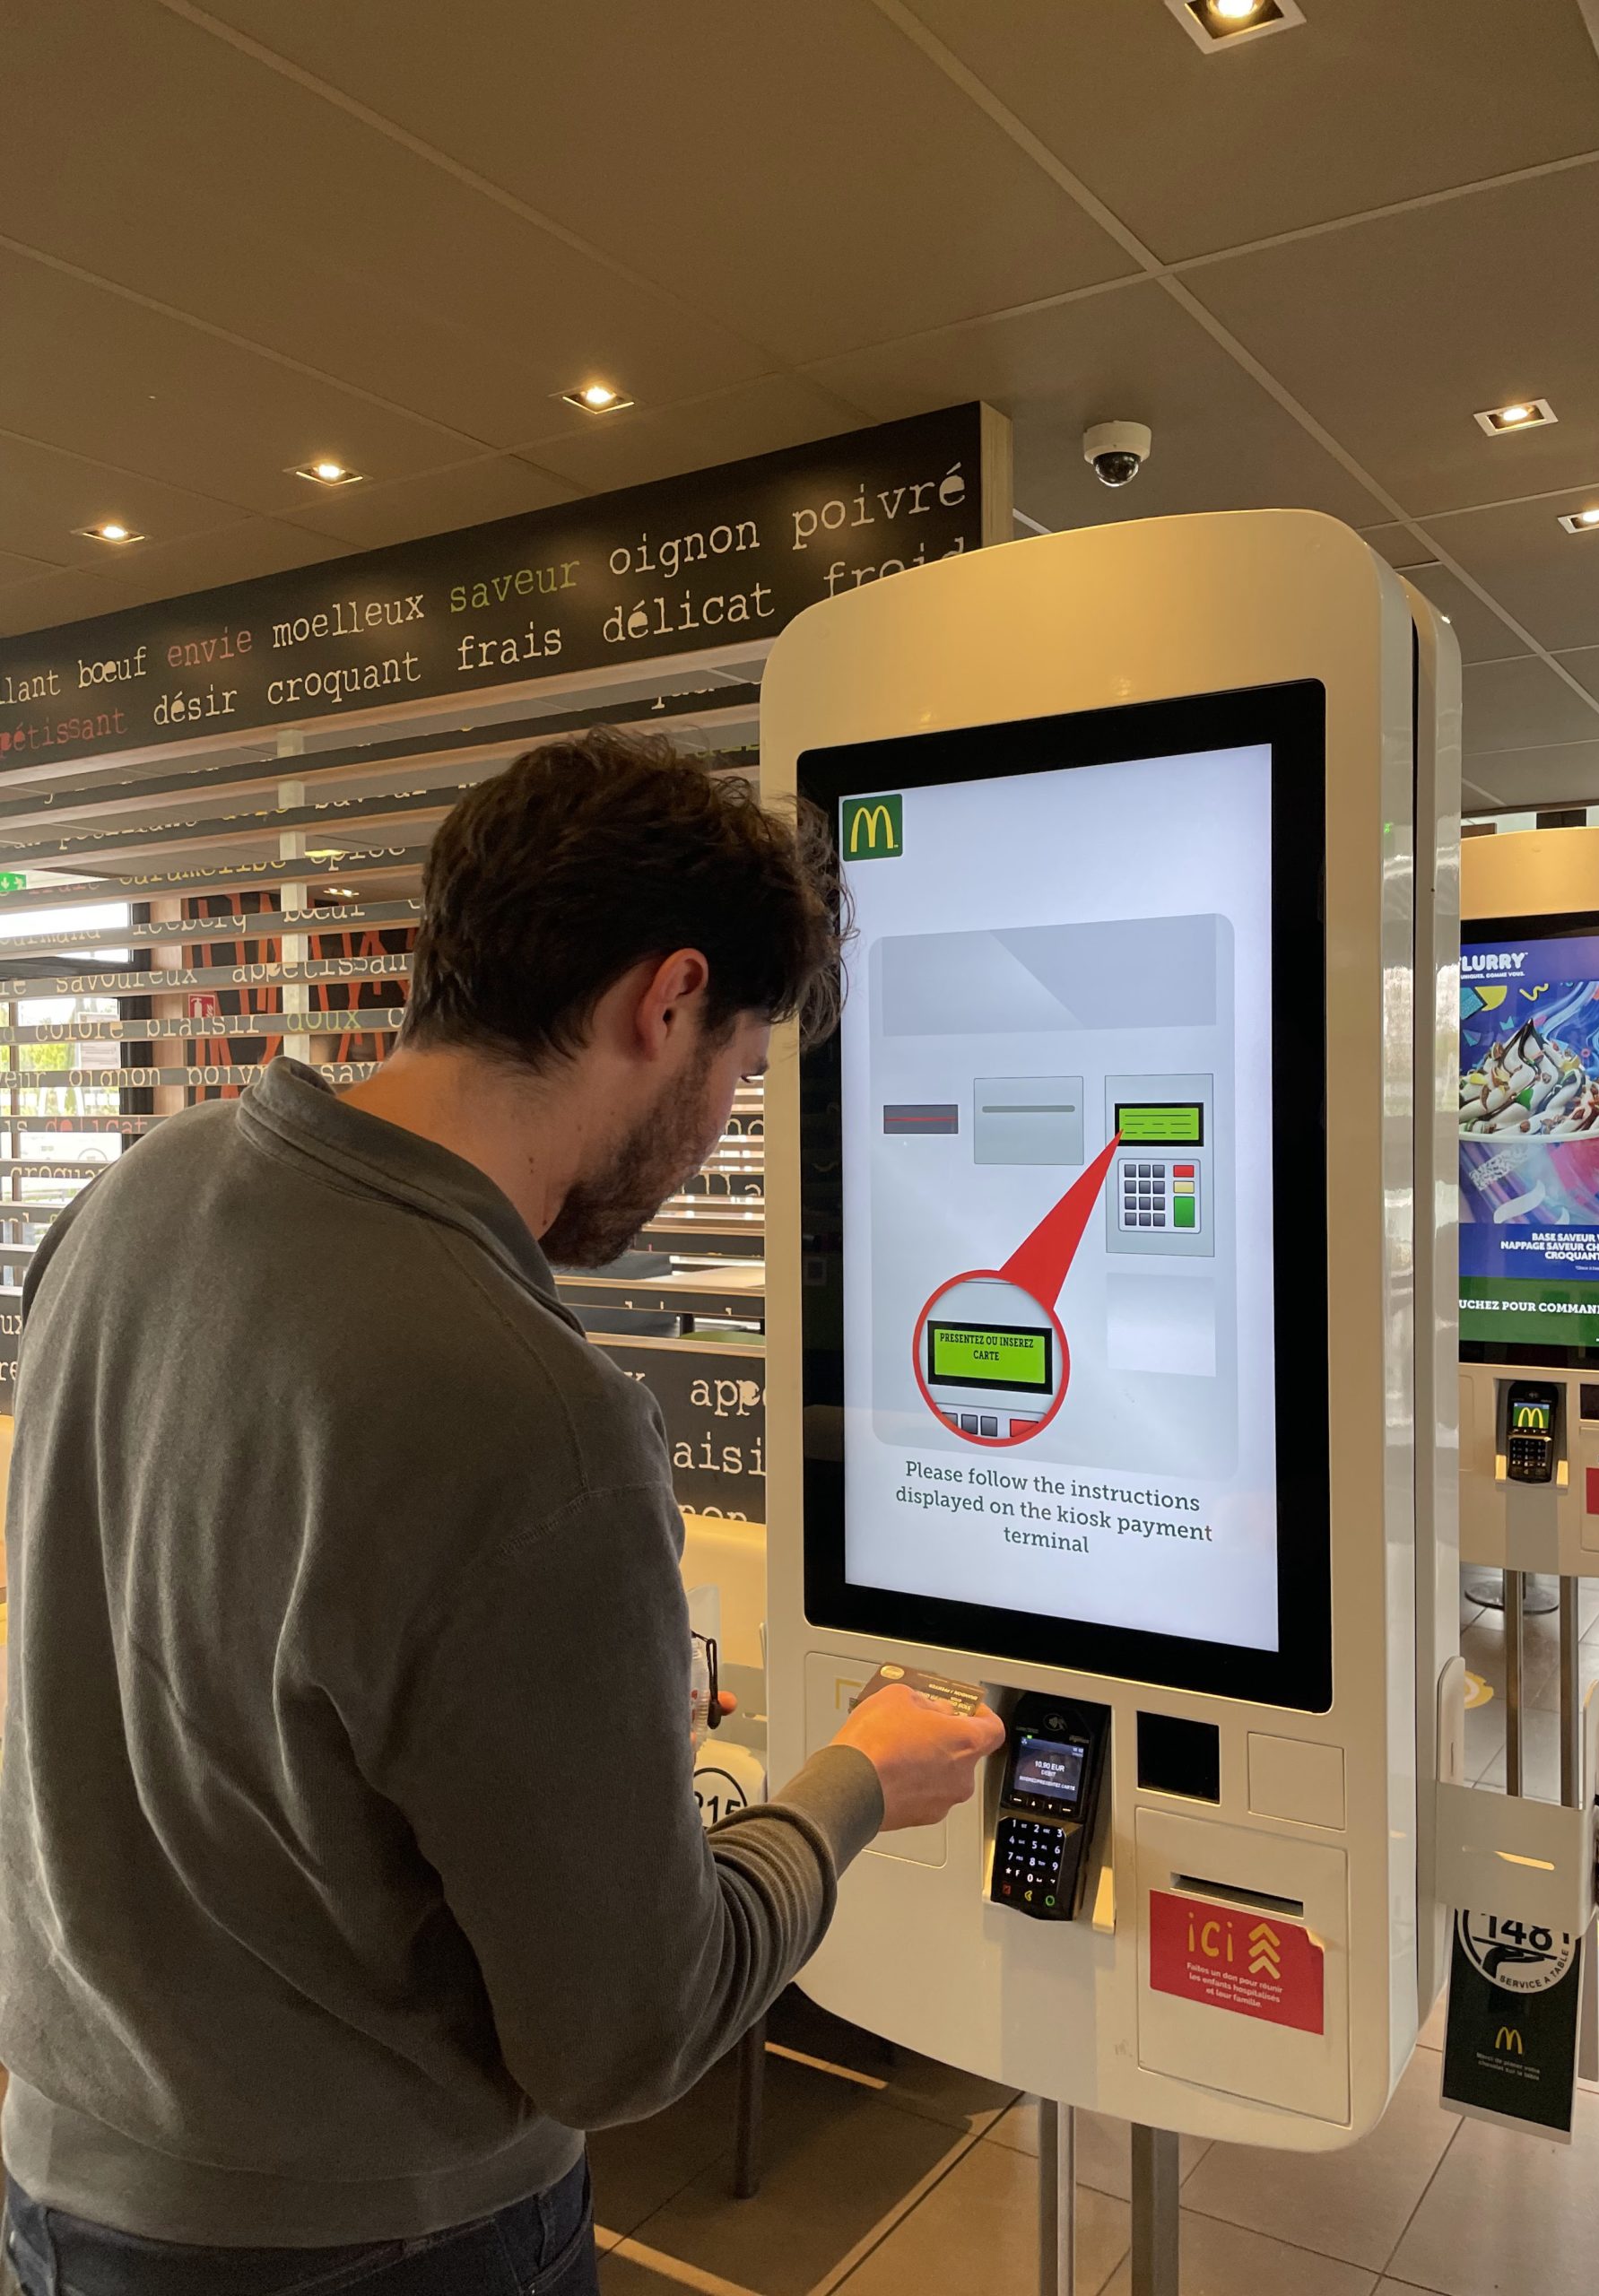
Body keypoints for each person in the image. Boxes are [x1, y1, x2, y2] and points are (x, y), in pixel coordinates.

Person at [0, 734, 1003, 2295]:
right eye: (737, 1073)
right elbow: (628, 2036)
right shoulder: (537, 1417)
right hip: (370, 2242)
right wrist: (855, 1783)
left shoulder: (141, 1194)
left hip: (61, 2192)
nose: (718, 1133)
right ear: (665, 1002)